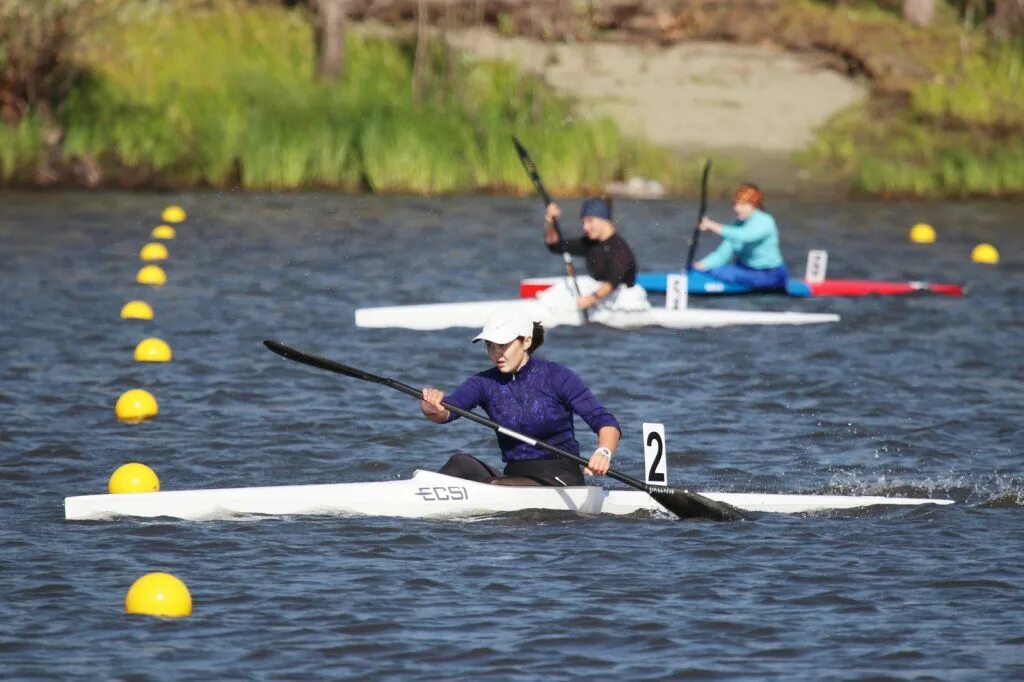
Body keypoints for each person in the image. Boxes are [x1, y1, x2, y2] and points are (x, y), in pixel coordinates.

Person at [419, 310, 620, 487]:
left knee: (497, 486)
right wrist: (430, 406)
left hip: (561, 477)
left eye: (503, 345)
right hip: (513, 475)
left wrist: (604, 452)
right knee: (460, 462)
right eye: (490, 345)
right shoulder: (483, 382)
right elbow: (446, 412)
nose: (496, 353)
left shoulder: (557, 376)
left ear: (526, 341)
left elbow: (604, 421)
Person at [543, 196, 643, 311]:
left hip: (626, 303)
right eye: (583, 222)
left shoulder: (620, 249)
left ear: (604, 219)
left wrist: (590, 299)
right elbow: (554, 245)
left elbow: (613, 282)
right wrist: (551, 222)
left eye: (590, 221)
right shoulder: (590, 243)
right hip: (602, 300)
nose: (585, 227)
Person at [694, 183, 789, 290]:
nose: (736, 208)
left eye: (742, 205)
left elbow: (745, 236)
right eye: (735, 204)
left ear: (754, 205)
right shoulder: (737, 224)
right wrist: (701, 266)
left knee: (721, 272)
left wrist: (712, 225)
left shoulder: (765, 221)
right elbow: (722, 255)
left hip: (771, 274)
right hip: (745, 270)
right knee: (713, 269)